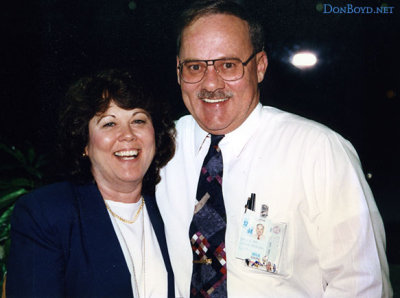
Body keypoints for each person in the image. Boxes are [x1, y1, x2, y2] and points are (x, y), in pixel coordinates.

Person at [155, 0, 392, 297]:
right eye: (195, 66)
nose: (211, 82)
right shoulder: (161, 148)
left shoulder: (319, 152)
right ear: (179, 71)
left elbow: (362, 284)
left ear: (260, 66)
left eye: (228, 65)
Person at [6, 69, 176, 298]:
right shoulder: (45, 214)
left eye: (138, 120)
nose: (127, 135)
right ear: (84, 144)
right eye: (109, 124)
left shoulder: (170, 209)